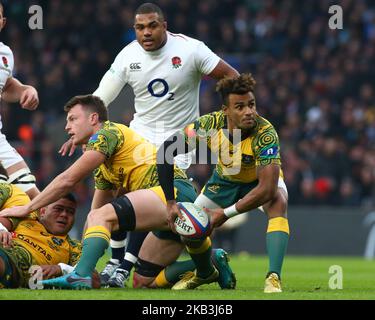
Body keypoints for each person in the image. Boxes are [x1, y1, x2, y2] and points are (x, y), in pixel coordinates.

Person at [60, 2, 239, 287]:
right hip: (139, 137)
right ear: (134, 30)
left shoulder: (191, 50)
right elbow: (101, 97)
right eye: (140, 27)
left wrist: (228, 118)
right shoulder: (128, 55)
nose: (146, 32)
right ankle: (119, 264)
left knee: (148, 203)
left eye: (152, 25)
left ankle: (124, 265)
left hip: (175, 147)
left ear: (164, 25)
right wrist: (85, 131)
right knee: (116, 191)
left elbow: (232, 76)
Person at [0, 94, 235, 290]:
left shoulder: (107, 133)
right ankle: (211, 263)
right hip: (167, 205)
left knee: (102, 215)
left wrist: (29, 207)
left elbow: (68, 180)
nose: (66, 127)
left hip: (171, 192)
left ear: (93, 119)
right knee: (144, 281)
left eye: (72, 119)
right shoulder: (105, 169)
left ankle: (78, 277)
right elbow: (94, 216)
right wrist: (81, 259)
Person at [156, 74, 289, 293]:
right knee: (189, 227)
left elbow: (267, 188)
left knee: (278, 202)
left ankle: (273, 276)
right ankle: (205, 272)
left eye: (251, 105)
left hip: (257, 181)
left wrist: (224, 214)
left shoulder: (265, 133)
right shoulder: (208, 125)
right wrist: (170, 202)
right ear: (225, 110)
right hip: (224, 181)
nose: (248, 111)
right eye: (239, 107)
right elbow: (165, 152)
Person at [0, 164, 81, 288]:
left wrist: (61, 269)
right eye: (58, 209)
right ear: (42, 211)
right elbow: (3, 222)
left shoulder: (73, 248)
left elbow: (92, 280)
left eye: (70, 212)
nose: (64, 215)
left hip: (18, 270)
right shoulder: (26, 216)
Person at [0, 2, 40, 199]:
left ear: (2, 22)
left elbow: (5, 87)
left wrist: (26, 89)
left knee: (31, 195)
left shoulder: (5, 54)